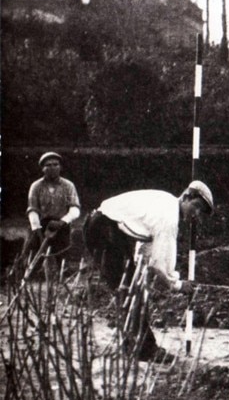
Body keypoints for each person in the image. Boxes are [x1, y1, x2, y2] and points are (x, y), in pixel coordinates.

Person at [83, 181, 214, 360]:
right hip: (103, 228)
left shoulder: (166, 204)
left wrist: (141, 268)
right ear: (186, 197)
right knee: (128, 290)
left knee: (130, 289)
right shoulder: (169, 217)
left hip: (103, 226)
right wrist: (177, 284)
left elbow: (146, 246)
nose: (196, 214)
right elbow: (160, 260)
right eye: (196, 206)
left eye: (201, 212)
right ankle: (145, 350)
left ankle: (132, 346)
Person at [22, 151, 81, 286]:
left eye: (56, 164)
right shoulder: (36, 186)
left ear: (60, 167)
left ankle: (62, 282)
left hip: (61, 224)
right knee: (33, 255)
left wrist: (63, 221)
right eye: (48, 165)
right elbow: (32, 209)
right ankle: (29, 281)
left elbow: (75, 208)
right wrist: (38, 230)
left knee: (63, 255)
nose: (52, 168)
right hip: (41, 224)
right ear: (42, 168)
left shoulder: (68, 186)